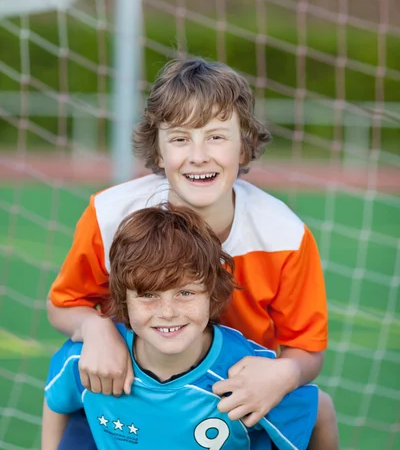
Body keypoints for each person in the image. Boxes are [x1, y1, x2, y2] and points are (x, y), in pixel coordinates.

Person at [47, 58, 339, 448]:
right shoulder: (110, 215)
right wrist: (96, 328)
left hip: (229, 405)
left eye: (216, 137)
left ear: (244, 146)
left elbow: (306, 350)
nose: (199, 155)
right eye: (181, 138)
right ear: (159, 150)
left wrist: (284, 375)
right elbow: (63, 305)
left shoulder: (283, 236)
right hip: (129, 395)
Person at [43, 204, 320, 450]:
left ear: (212, 295)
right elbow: (57, 400)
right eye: (148, 295)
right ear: (123, 300)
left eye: (185, 293)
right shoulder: (89, 360)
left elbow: (321, 413)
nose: (167, 312)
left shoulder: (246, 375)